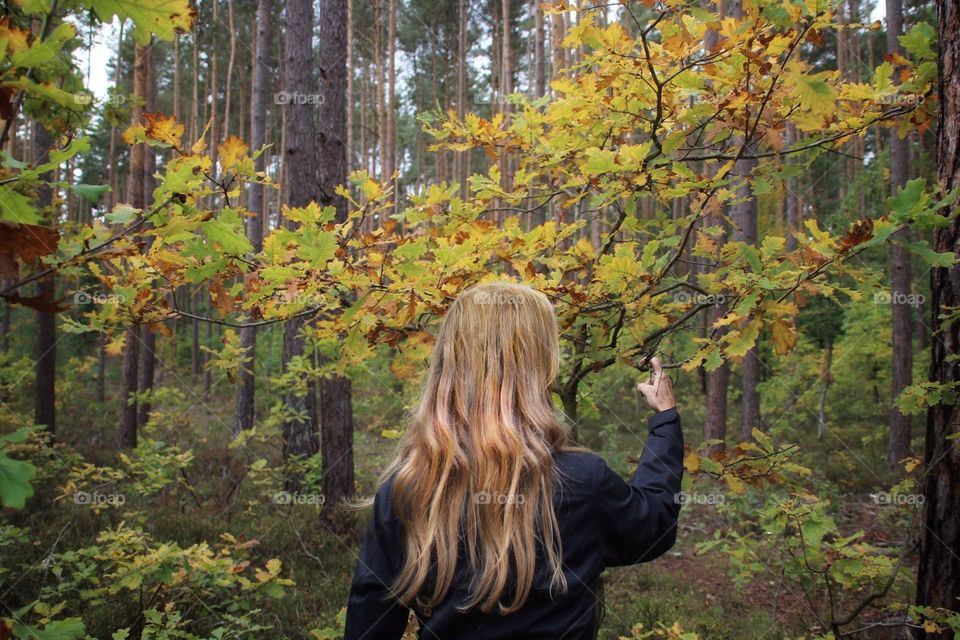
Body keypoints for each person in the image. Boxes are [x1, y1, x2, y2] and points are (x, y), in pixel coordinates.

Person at [344, 281, 684, 640]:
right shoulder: (581, 482)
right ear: (537, 367)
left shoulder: (407, 490)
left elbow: (369, 623)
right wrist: (665, 422)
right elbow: (653, 525)